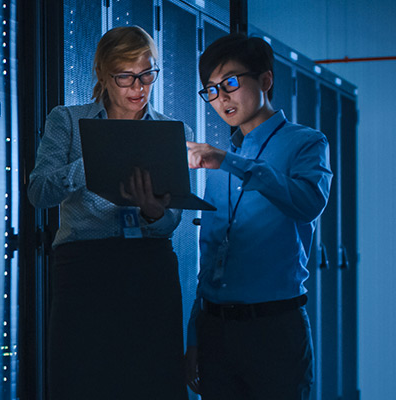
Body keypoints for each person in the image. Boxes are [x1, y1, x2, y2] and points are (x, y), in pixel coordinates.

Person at [28, 26, 190, 399]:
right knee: (82, 381)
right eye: (126, 77)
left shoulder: (170, 130)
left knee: (154, 384)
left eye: (147, 74)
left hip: (149, 269)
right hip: (85, 270)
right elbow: (39, 192)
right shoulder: (67, 121)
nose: (139, 87)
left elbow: (173, 220)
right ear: (102, 74)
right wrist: (96, 161)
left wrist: (153, 212)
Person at [184, 33, 332, 399]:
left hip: (274, 330)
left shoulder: (306, 142)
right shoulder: (219, 160)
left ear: (265, 80)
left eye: (230, 82)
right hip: (215, 329)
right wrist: (193, 337)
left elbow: (308, 203)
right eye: (212, 90)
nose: (221, 98)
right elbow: (211, 256)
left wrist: (230, 162)